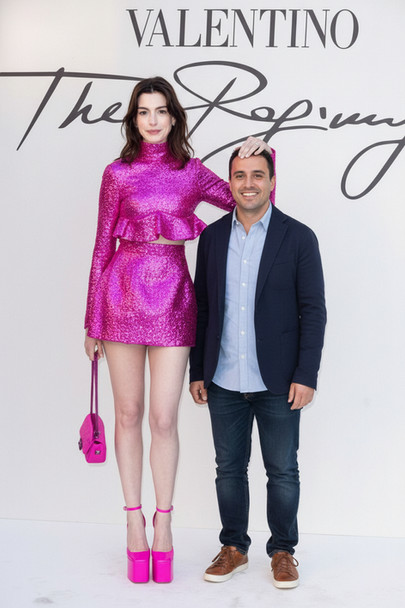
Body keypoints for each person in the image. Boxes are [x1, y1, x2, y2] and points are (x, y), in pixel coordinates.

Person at [84, 76, 275, 584]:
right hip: (120, 298)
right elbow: (101, 247)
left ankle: (164, 524)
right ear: (134, 119)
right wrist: (92, 320)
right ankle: (133, 523)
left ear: (174, 118)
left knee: (163, 419)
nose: (152, 120)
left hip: (172, 300)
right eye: (143, 111)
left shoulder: (191, 172)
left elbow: (248, 196)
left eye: (161, 111)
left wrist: (264, 152)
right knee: (128, 414)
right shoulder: (117, 173)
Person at [189, 148, 326, 588]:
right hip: (224, 378)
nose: (248, 183)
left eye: (258, 175)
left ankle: (283, 552)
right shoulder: (212, 238)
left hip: (280, 380)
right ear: (229, 182)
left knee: (282, 470)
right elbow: (202, 308)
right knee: (228, 469)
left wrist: (306, 374)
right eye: (240, 175)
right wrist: (198, 370)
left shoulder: (298, 237)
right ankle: (234, 548)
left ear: (272, 182)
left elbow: (313, 311)